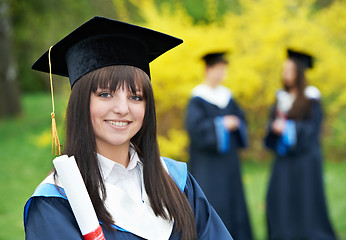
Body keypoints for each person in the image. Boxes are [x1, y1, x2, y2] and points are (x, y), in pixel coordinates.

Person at [23, 16, 233, 240]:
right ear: (80, 103)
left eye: (136, 97)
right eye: (105, 94)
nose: (123, 109)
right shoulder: (56, 203)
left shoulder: (176, 181)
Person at [264, 49, 337, 240]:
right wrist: (274, 128)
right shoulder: (281, 98)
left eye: (289, 70)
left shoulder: (311, 98)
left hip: (305, 161)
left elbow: (312, 130)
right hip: (284, 160)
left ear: (299, 73)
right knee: (277, 198)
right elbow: (270, 126)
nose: (285, 74)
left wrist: (287, 128)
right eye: (284, 70)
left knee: (305, 202)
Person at [185, 52, 253, 240]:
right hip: (208, 165)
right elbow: (195, 130)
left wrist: (236, 122)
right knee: (213, 200)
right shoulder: (197, 98)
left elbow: (241, 120)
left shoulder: (227, 96)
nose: (221, 74)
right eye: (218, 70)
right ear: (208, 70)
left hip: (229, 162)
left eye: (224, 70)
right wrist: (222, 125)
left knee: (234, 201)